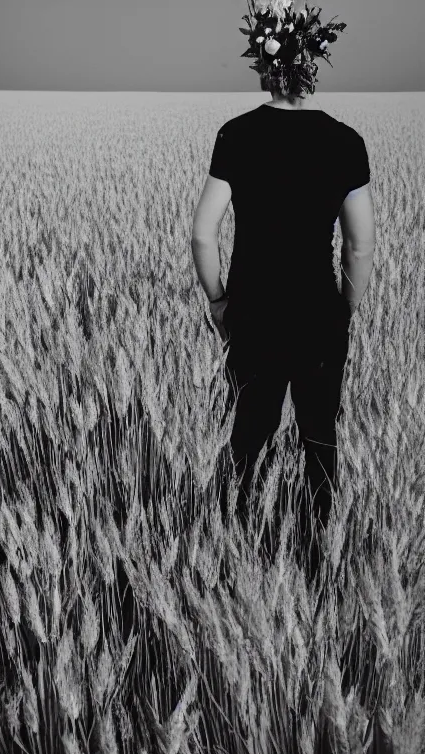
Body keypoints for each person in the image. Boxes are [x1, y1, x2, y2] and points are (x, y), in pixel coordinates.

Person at [191, 2, 376, 578]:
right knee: (320, 441)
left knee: (246, 437)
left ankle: (231, 556)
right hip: (319, 315)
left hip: (252, 314)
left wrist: (219, 301)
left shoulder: (236, 134)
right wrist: (347, 306)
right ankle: (324, 564)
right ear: (315, 61)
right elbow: (359, 245)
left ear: (265, 62)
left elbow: (202, 232)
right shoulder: (345, 141)